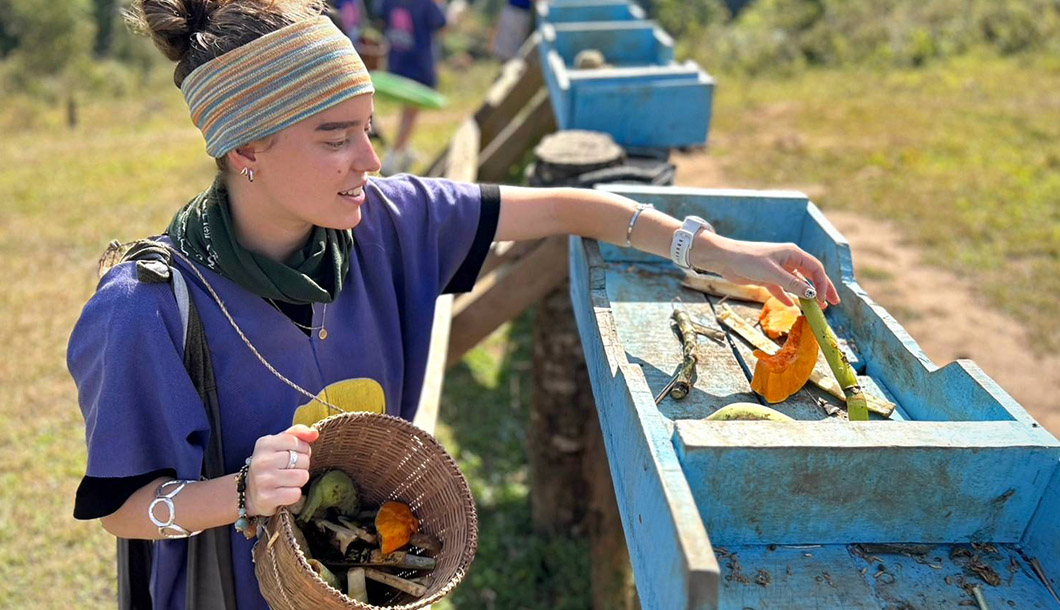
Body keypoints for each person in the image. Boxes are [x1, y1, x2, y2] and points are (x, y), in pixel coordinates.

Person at [66, 0, 840, 607]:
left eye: (369, 131)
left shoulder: (389, 224)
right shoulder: (146, 310)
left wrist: (720, 252)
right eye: (336, 138)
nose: (371, 160)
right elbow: (125, 508)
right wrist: (236, 492)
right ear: (245, 149)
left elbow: (574, 208)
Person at [377, 0, 447, 174]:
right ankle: (394, 156)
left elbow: (381, 21)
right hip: (419, 67)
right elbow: (442, 26)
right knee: (410, 114)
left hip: (397, 63)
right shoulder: (426, 4)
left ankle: (404, 152)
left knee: (407, 112)